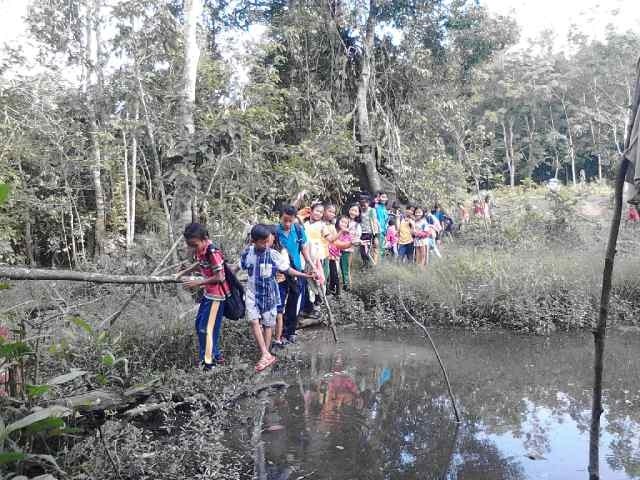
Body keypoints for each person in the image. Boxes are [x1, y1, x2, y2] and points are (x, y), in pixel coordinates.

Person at [241, 224, 314, 372]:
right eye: (264, 242)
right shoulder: (247, 253)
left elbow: (287, 269)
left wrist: (304, 275)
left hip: (269, 294)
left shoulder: (273, 254)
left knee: (268, 324)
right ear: (254, 241)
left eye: (268, 241)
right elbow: (240, 267)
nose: (267, 244)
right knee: (253, 321)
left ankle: (265, 354)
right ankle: (265, 353)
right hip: (252, 293)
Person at [176, 223, 230, 369]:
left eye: (194, 245)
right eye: (190, 246)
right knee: (199, 325)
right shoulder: (202, 250)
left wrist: (198, 283)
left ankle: (208, 363)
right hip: (208, 294)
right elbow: (200, 264)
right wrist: (182, 273)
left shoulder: (212, 252)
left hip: (216, 296)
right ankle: (215, 356)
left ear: (204, 239)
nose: (192, 249)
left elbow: (220, 277)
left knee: (206, 328)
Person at [276, 206, 316, 344]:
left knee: (295, 302)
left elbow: (304, 249)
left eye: (290, 221)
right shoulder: (274, 232)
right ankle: (279, 334)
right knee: (279, 303)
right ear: (280, 217)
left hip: (297, 271)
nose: (287, 224)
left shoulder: (298, 230)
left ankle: (290, 331)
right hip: (280, 273)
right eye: (285, 220)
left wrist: (311, 264)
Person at [327, 215, 352, 296]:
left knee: (335, 275)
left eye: (346, 223)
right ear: (338, 221)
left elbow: (344, 244)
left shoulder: (345, 234)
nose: (344, 224)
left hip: (335, 257)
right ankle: (330, 293)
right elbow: (331, 240)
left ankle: (335, 294)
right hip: (327, 255)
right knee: (329, 275)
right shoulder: (332, 229)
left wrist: (352, 243)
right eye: (342, 221)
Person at [341, 203, 362, 290]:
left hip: (348, 249)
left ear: (358, 213)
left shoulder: (357, 225)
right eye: (352, 210)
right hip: (338, 247)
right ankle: (342, 285)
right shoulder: (343, 220)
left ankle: (347, 287)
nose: (353, 212)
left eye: (355, 211)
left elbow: (357, 237)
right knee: (340, 268)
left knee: (346, 267)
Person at [359, 194, 379, 266]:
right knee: (362, 251)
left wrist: (375, 235)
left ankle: (371, 265)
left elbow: (374, 222)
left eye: (365, 202)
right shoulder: (359, 210)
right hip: (361, 234)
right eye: (362, 203)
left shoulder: (371, 211)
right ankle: (366, 264)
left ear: (368, 202)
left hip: (369, 233)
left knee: (366, 251)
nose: (363, 205)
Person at [374, 191, 389, 259]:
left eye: (385, 197)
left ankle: (380, 264)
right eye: (382, 197)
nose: (384, 199)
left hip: (384, 232)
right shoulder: (376, 206)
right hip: (377, 230)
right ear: (379, 198)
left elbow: (386, 221)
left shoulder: (385, 208)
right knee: (376, 248)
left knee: (382, 248)